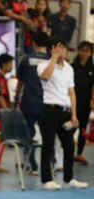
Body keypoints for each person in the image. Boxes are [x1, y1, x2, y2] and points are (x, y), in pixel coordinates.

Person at [37, 37, 87, 189]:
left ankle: (69, 178)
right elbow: (45, 76)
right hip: (50, 109)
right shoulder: (43, 65)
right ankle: (47, 179)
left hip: (65, 111)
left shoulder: (69, 68)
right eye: (59, 48)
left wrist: (74, 114)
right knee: (48, 144)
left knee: (69, 145)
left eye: (64, 49)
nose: (63, 52)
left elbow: (71, 92)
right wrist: (53, 58)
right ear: (52, 49)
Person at [15, 31, 49, 174]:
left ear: (33, 43)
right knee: (48, 135)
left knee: (28, 134)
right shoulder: (51, 60)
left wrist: (16, 97)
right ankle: (49, 165)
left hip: (29, 102)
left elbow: (20, 81)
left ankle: (31, 164)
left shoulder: (26, 59)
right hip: (47, 102)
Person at [71, 41, 94, 165]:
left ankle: (79, 154)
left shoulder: (92, 68)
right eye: (82, 50)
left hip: (86, 103)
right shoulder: (72, 67)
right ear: (78, 51)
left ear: (91, 53)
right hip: (73, 103)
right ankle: (67, 152)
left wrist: (92, 100)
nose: (84, 53)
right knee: (70, 129)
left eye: (87, 51)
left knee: (83, 130)